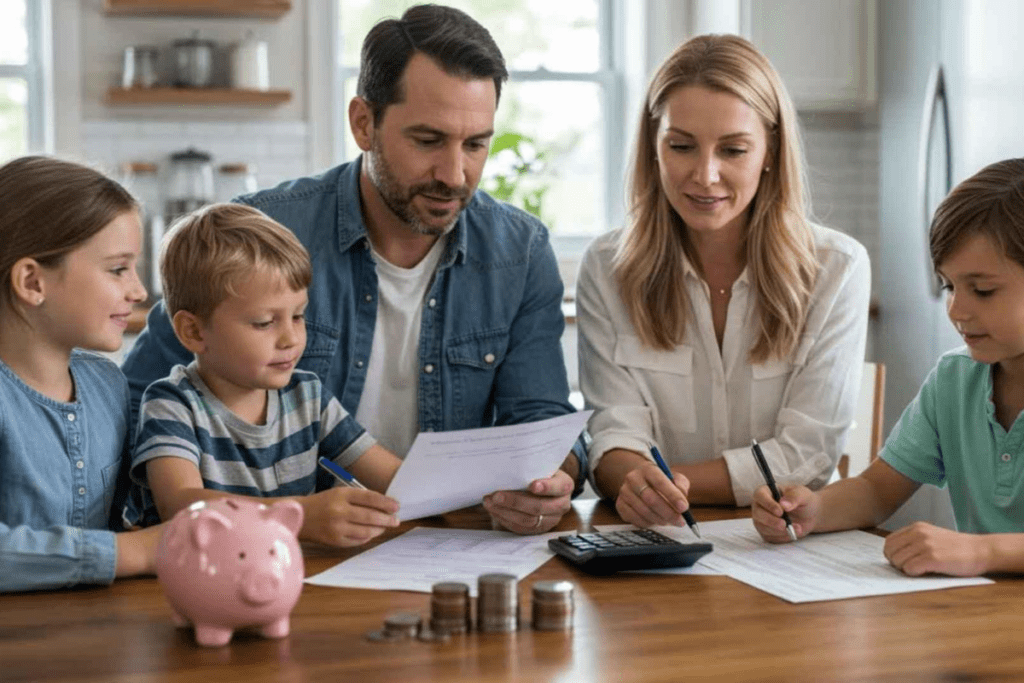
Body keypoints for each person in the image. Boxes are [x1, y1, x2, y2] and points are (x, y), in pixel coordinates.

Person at [121, 4, 585, 535]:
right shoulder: (262, 234)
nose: (454, 174)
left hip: (443, 543)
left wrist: (548, 483)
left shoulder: (519, 251)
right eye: (428, 141)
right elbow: (135, 407)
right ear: (363, 123)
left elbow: (544, 429)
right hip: (270, 552)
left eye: (476, 144)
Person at [577, 34, 870, 528]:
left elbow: (808, 455)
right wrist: (631, 482)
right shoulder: (608, 267)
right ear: (653, 148)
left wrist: (663, 486)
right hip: (655, 541)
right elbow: (612, 432)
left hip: (782, 543)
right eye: (681, 146)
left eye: (733, 150)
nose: (705, 175)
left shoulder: (836, 268)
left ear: (770, 150)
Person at [753, 158, 1024, 577]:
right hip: (981, 618)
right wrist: (813, 508)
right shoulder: (954, 380)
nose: (957, 309)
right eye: (949, 286)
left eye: (983, 290)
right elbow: (877, 490)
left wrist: (982, 552)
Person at [125, 203, 404, 547]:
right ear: (194, 332)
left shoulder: (309, 396)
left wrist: (482, 491)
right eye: (264, 322)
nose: (291, 338)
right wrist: (299, 515)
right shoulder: (172, 405)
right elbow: (180, 506)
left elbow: (396, 479)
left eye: (298, 316)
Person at [0, 156, 162, 592]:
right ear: (33, 282)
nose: (139, 291)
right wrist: (136, 552)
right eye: (117, 269)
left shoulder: (106, 384)